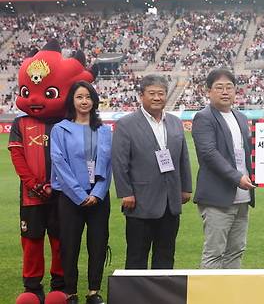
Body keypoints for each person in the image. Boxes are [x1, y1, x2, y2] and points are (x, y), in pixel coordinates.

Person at [9, 39, 94, 303]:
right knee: (32, 241)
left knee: (61, 240)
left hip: (62, 195)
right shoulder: (20, 123)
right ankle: (32, 287)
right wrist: (35, 184)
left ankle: (61, 284)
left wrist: (59, 185)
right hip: (31, 195)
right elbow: (17, 156)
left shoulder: (68, 123)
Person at [112, 74, 193, 269]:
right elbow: (119, 161)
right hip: (140, 201)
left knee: (166, 256)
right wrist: (126, 193)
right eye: (152, 93)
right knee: (137, 257)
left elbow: (183, 157)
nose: (157, 98)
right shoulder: (126, 124)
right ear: (141, 96)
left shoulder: (174, 122)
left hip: (170, 201)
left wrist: (186, 187)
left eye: (161, 93)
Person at [50, 81, 112, 304]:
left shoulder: (104, 131)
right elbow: (59, 163)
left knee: (97, 244)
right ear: (72, 101)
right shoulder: (60, 129)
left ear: (94, 101)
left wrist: (97, 193)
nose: (84, 101)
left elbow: (107, 165)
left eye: (88, 97)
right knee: (69, 245)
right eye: (79, 97)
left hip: (98, 198)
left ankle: (93, 291)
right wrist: (78, 194)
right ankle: (70, 292)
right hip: (70, 198)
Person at [192, 69, 256, 269]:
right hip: (217, 197)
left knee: (236, 250)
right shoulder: (204, 117)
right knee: (214, 252)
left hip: (243, 196)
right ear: (208, 91)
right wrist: (237, 177)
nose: (225, 92)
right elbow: (209, 153)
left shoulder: (241, 117)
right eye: (219, 87)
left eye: (229, 87)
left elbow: (251, 150)